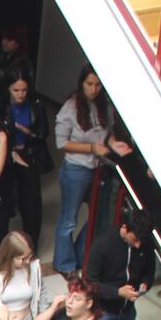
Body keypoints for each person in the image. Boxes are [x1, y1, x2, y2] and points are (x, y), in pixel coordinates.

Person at [52, 68, 115, 276]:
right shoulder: (70, 108)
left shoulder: (104, 106)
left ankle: (81, 256)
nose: (94, 89)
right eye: (89, 84)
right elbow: (61, 143)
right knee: (69, 218)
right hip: (76, 169)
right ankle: (64, 263)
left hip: (99, 168)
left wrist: (114, 144)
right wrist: (90, 148)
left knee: (100, 218)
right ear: (82, 84)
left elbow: (108, 134)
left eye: (97, 85)